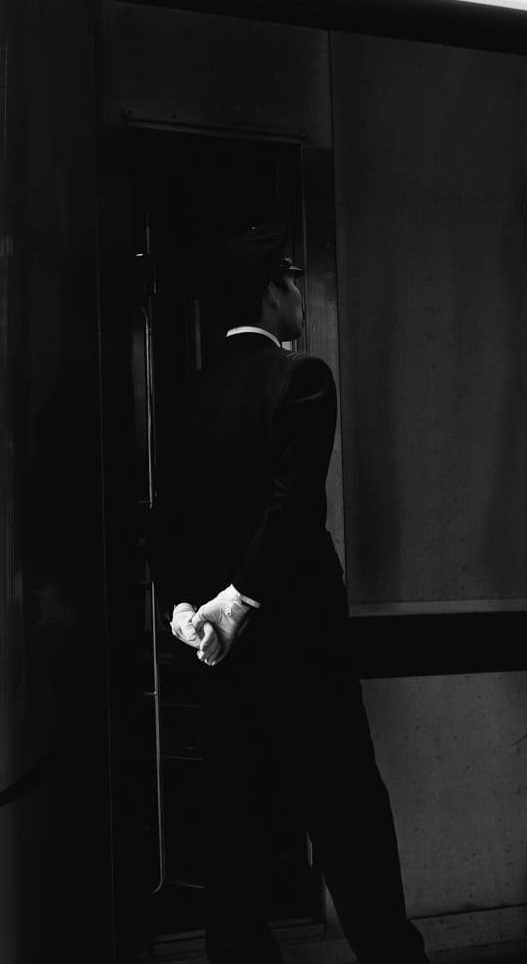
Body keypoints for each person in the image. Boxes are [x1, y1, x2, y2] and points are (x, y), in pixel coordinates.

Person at [167, 224, 428, 964]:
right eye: (291, 282)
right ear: (270, 295)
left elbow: (172, 519)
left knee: (233, 830)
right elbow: (293, 508)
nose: (298, 295)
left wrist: (188, 610)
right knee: (349, 825)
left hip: (217, 658)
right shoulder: (302, 378)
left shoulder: (187, 395)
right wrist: (238, 603)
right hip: (303, 652)